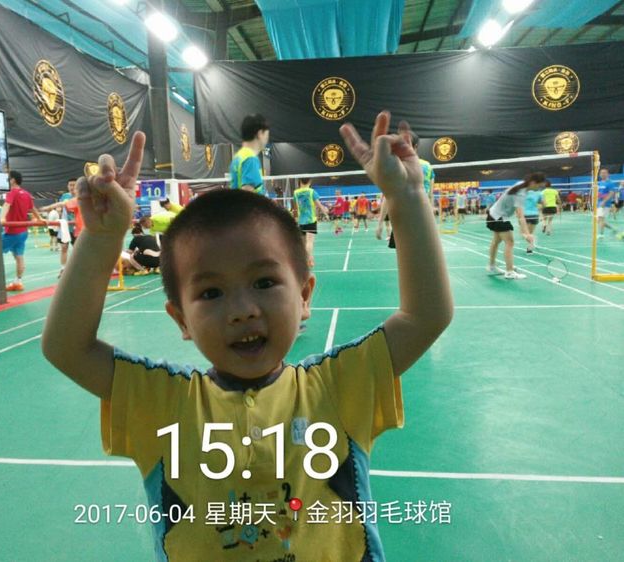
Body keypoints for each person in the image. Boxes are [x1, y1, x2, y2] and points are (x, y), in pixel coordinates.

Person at [42, 112, 452, 561]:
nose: (243, 310)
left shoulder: (338, 386)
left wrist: (408, 196)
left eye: (264, 283)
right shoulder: (161, 402)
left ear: (305, 296)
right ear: (181, 319)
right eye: (211, 293)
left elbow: (425, 315)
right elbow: (67, 347)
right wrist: (101, 238)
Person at [486, 173, 546, 280]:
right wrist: (527, 234)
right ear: (533, 183)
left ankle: (492, 266)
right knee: (510, 242)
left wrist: (525, 232)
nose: (539, 188)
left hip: (493, 214)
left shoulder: (521, 184)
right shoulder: (520, 194)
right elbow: (520, 216)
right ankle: (509, 272)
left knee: (496, 241)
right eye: (539, 185)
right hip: (499, 217)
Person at [1, 170, 44, 291]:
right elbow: (33, 209)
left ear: (13, 180)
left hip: (12, 232)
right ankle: (18, 282)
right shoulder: (26, 194)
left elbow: (6, 205)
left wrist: (2, 218)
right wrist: (40, 218)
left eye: (8, 178)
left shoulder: (11, 192)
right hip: (23, 232)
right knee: (18, 256)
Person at [292, 178, 328, 267]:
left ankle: (304, 260)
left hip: (301, 221)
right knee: (310, 242)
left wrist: (295, 219)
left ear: (300, 182)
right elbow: (319, 205)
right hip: (311, 220)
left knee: (304, 243)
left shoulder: (296, 193)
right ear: (310, 182)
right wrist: (325, 212)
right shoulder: (312, 192)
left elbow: (295, 208)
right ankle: (310, 260)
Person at [229, 114, 269, 196]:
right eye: (266, 135)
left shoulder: (237, 157)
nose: (267, 139)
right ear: (260, 134)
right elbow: (248, 195)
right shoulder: (250, 158)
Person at [596, 168, 617, 238]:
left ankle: (601, 234)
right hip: (599, 203)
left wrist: (604, 201)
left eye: (604, 173)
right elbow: (600, 193)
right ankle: (613, 228)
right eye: (601, 173)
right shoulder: (600, 182)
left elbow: (611, 193)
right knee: (598, 220)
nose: (602, 174)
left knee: (601, 218)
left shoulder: (610, 183)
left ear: (608, 174)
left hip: (606, 204)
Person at [523, 185, 543, 253]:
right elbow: (544, 203)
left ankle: (532, 243)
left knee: (523, 233)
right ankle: (529, 249)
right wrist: (539, 209)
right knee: (530, 233)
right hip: (535, 214)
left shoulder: (523, 194)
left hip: (525, 215)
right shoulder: (539, 193)